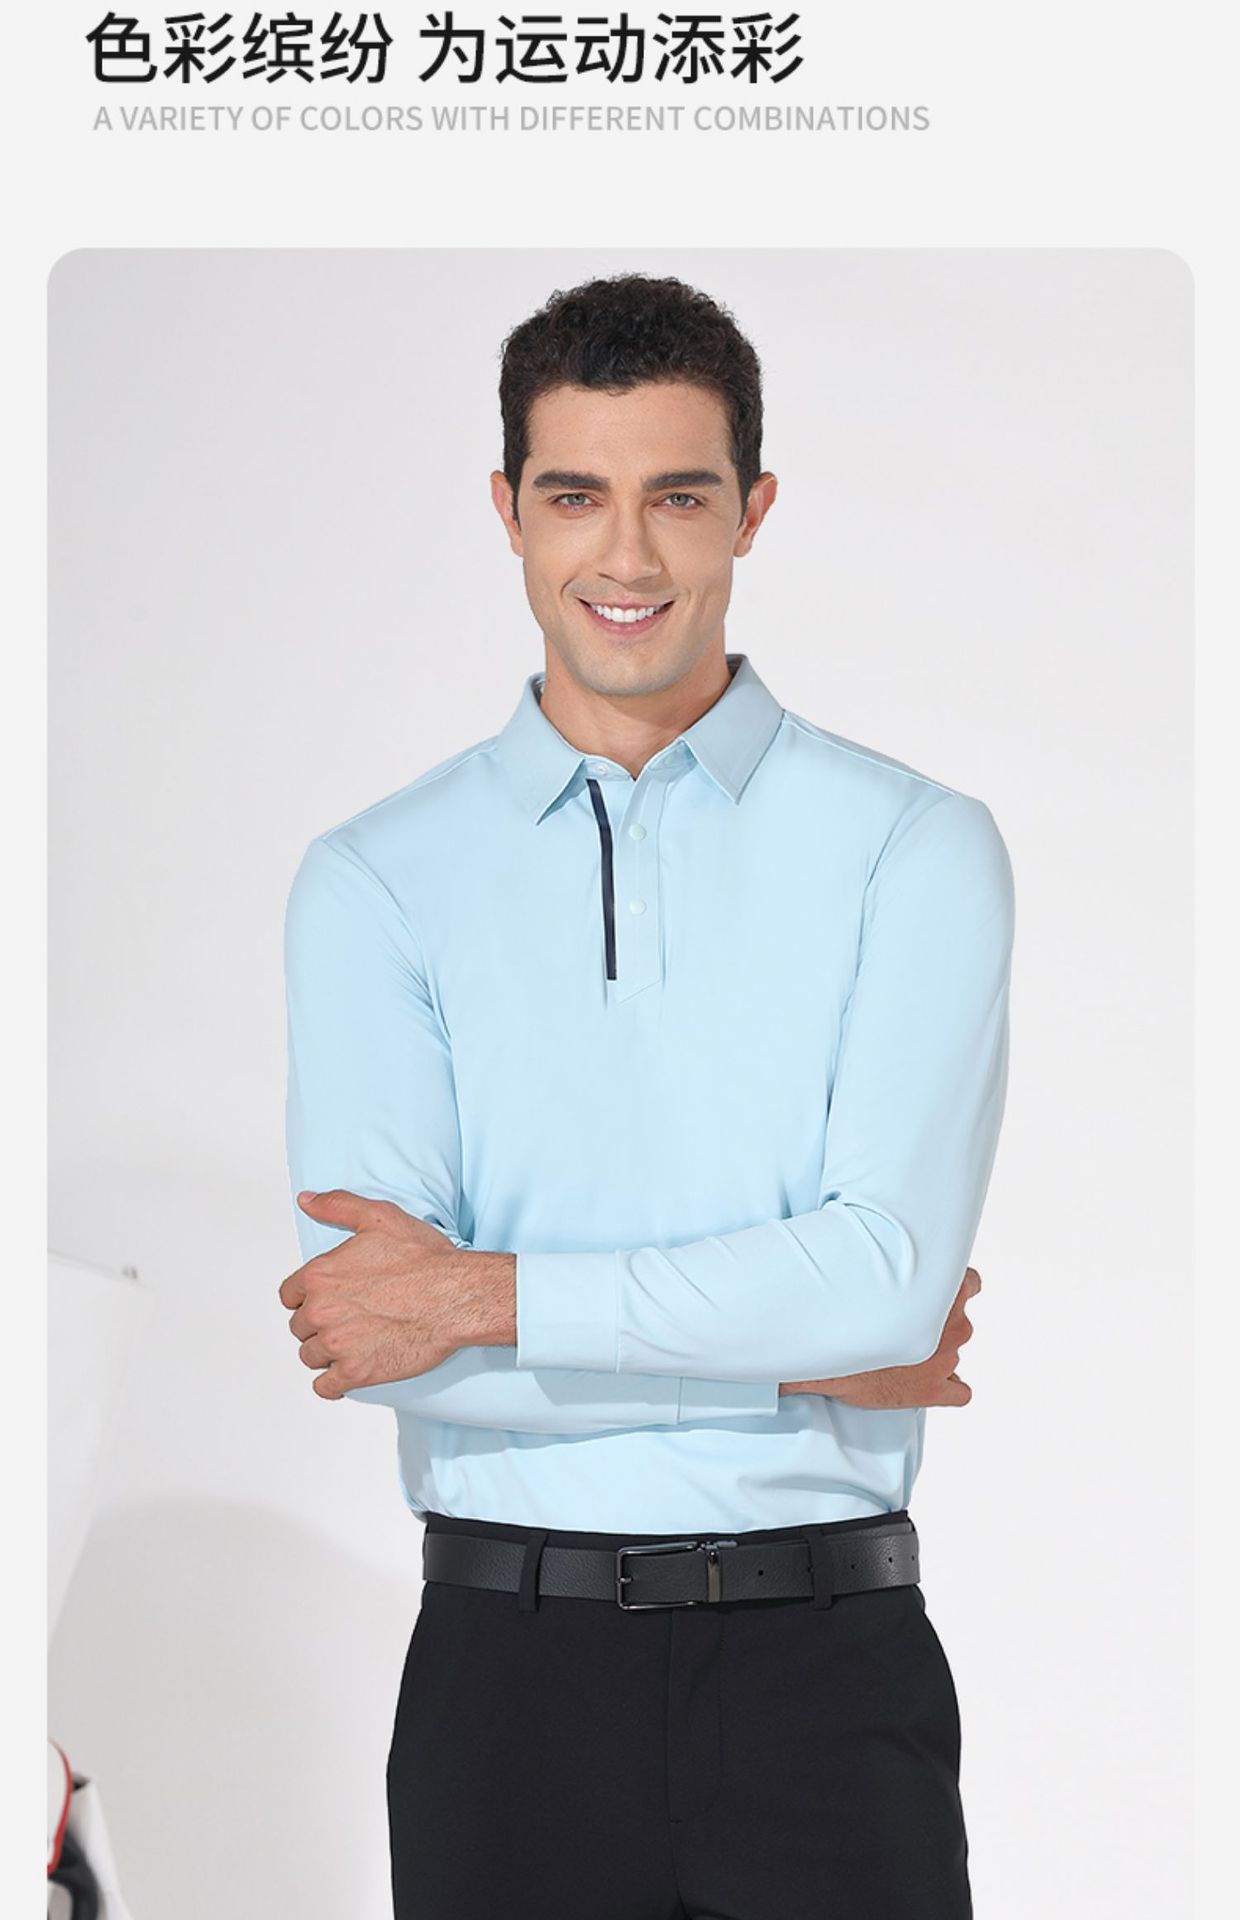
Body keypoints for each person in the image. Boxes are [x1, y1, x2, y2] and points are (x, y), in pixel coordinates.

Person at [279, 272, 1014, 1919]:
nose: (626, 557)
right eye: (575, 498)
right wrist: (804, 1345)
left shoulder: (913, 847)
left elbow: (887, 1285)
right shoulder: (376, 881)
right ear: (507, 512)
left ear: (753, 510)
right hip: (505, 1680)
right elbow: (379, 1339)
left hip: (829, 1675)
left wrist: (484, 1298)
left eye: (678, 497)